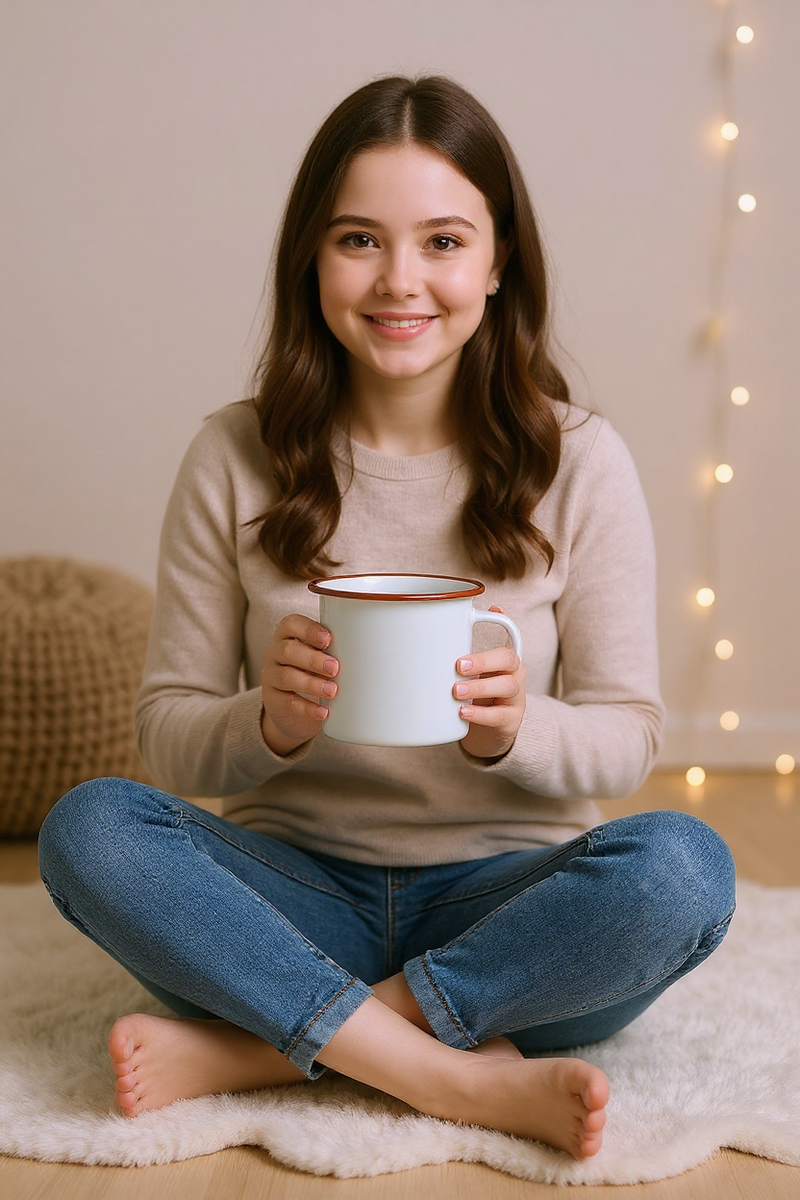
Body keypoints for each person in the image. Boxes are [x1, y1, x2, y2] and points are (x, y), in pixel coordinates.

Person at [38, 75, 735, 1161]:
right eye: (359, 239)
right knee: (90, 830)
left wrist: (519, 732)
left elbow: (628, 731)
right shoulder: (233, 454)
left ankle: (263, 1047)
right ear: (311, 261)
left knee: (684, 871)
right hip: (288, 893)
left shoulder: (580, 461)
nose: (399, 280)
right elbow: (164, 726)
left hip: (506, 909)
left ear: (498, 262)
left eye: (443, 242)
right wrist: (264, 722)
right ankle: (444, 1074)